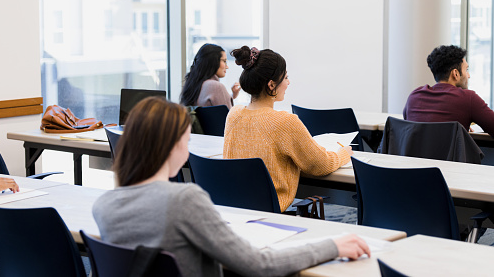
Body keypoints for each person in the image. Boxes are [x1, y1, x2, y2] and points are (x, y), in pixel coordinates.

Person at [92, 97, 370, 277]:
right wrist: (332, 246)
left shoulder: (104, 206)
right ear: (173, 144)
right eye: (186, 142)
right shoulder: (183, 200)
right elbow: (259, 265)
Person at [223, 46, 353, 212]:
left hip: (234, 211)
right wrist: (343, 154)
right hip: (269, 215)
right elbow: (321, 165)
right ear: (271, 85)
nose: (288, 82)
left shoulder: (233, 115)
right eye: (285, 77)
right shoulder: (285, 122)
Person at [403, 45, 494, 138]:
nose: (468, 75)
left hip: (416, 153)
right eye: (466, 70)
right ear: (455, 74)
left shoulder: (414, 96)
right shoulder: (468, 98)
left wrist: (460, 127)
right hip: (451, 153)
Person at [180, 43, 240, 109]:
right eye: (224, 61)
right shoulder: (216, 86)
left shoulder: (194, 84)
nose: (227, 66)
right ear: (213, 61)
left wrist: (232, 96)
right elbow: (229, 118)